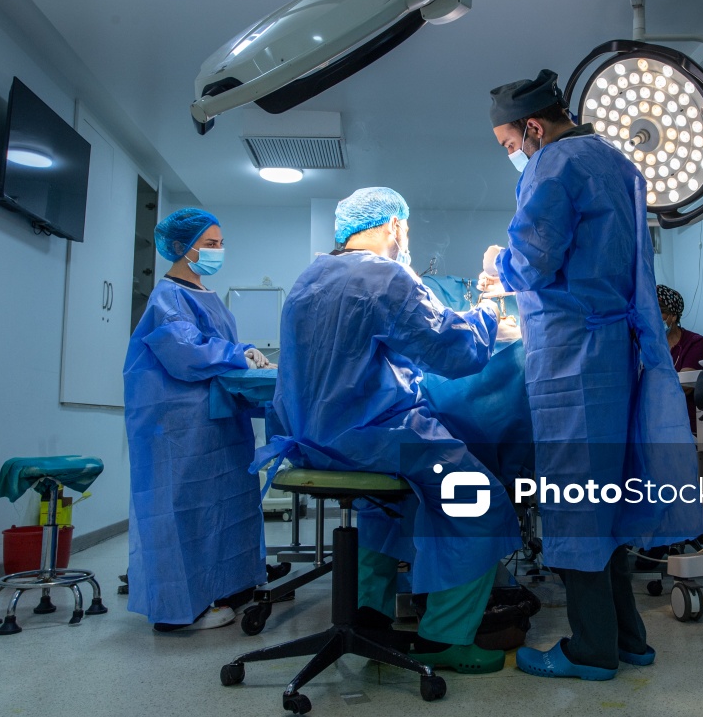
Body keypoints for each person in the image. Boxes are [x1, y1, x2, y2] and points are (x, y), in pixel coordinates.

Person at [481, 70, 703, 680]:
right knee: (608, 498)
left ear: (533, 126)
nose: (514, 154)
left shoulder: (553, 164)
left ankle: (592, 650)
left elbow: (534, 260)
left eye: (510, 143)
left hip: (572, 355)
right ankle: (629, 638)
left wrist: (498, 263)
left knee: (576, 499)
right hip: (615, 353)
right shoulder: (615, 161)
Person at [262, 187, 521, 674]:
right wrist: (489, 312)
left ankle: (370, 617)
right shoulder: (383, 276)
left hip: (310, 441)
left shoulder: (309, 279)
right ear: (394, 225)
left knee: (384, 509)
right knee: (479, 500)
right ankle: (445, 637)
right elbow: (451, 350)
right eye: (406, 228)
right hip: (369, 437)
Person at [123, 208, 272, 632]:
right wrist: (236, 355)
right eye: (209, 244)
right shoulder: (168, 296)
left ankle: (230, 586)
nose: (217, 251)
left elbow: (216, 347)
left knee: (228, 503)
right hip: (182, 422)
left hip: (219, 420)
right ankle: (179, 611)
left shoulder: (208, 296)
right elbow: (185, 352)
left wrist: (245, 356)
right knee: (185, 510)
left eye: (220, 243)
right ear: (180, 247)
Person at [658, 284, 703, 434]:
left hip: (686, 426)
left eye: (659, 313)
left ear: (673, 316)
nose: (653, 319)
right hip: (656, 425)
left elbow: (684, 386)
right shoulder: (649, 346)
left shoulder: (695, 343)